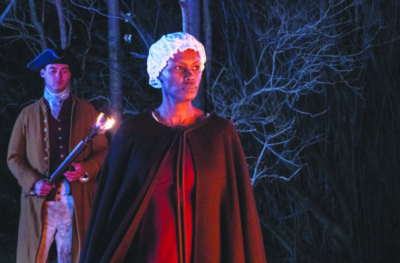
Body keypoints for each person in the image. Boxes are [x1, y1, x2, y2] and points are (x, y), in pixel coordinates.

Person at [80, 32, 267, 263]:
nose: (191, 76)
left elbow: (238, 215)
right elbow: (110, 211)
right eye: (180, 68)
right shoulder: (135, 133)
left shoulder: (219, 134)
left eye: (196, 67)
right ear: (159, 73)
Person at [7, 48, 109, 263]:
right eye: (53, 70)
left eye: (64, 71)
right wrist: (33, 183)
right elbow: (14, 158)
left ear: (70, 74)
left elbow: (103, 151)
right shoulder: (27, 115)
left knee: (74, 256)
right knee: (36, 256)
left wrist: (86, 169)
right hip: (40, 202)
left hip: (77, 200)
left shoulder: (88, 110)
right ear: (43, 73)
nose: (59, 76)